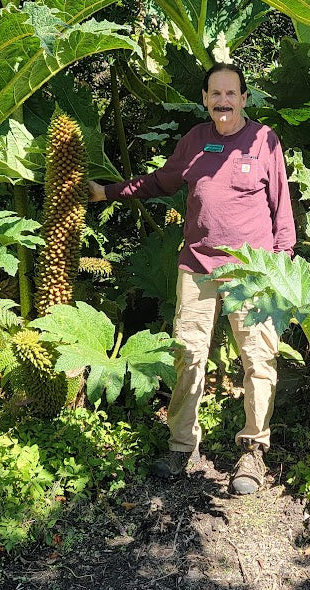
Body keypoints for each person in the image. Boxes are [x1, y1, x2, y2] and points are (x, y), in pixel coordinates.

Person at [88, 63, 296, 495]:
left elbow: (283, 212)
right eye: (215, 94)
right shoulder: (195, 142)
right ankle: (182, 445)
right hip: (197, 267)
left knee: (258, 361)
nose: (223, 101)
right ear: (204, 99)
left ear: (244, 98)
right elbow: (160, 182)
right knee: (187, 356)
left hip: (252, 274)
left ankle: (254, 449)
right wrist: (107, 192)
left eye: (231, 93)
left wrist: (281, 268)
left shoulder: (264, 141)